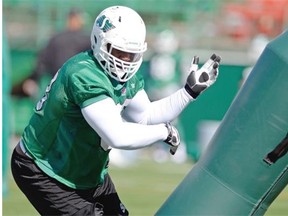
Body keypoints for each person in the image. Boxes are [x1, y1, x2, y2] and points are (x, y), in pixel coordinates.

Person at [11, 5, 221, 215]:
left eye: (132, 54)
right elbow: (116, 136)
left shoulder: (123, 78)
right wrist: (164, 132)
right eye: (120, 52)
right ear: (99, 42)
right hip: (45, 170)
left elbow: (146, 115)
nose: (125, 62)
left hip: (85, 172)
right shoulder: (84, 74)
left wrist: (188, 93)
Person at [14, 8, 91, 98]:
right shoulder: (85, 39)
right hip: (75, 86)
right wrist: (34, 78)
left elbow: (42, 61)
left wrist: (34, 79)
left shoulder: (59, 38)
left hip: (62, 87)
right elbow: (43, 61)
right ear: (72, 19)